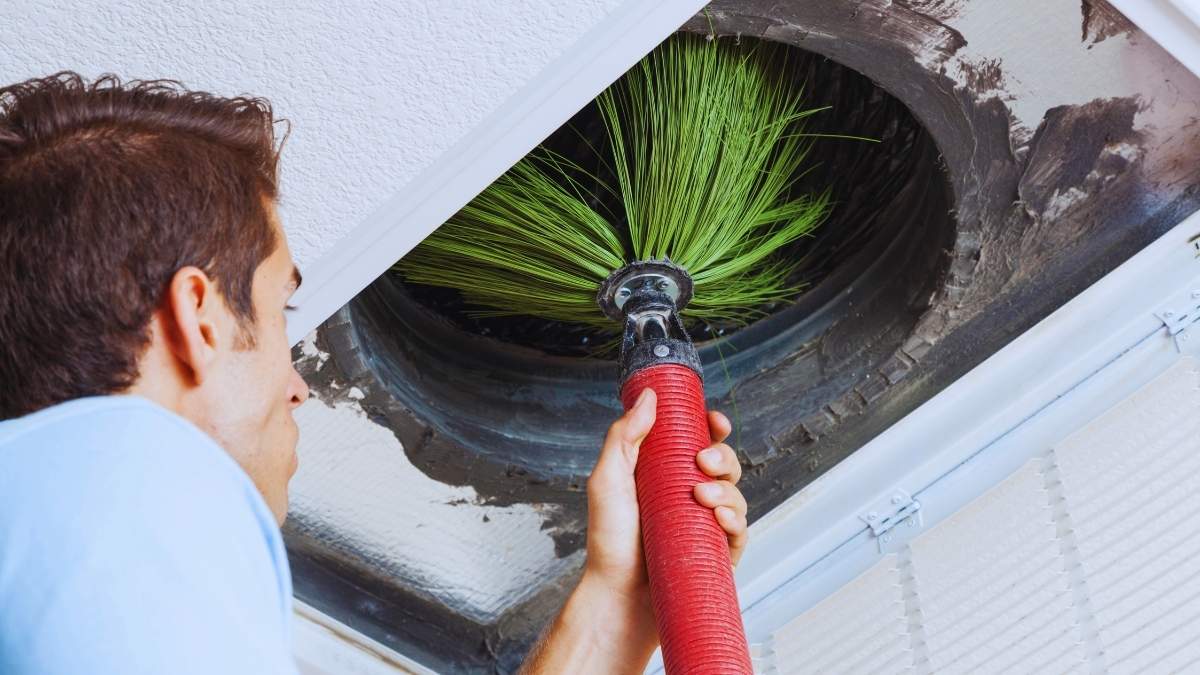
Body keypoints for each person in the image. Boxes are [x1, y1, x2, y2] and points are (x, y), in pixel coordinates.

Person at [0, 73, 750, 674]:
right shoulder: (138, 506)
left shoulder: (57, 542)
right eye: (279, 314)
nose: (297, 384)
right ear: (200, 319)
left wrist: (620, 602)